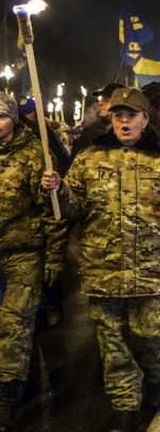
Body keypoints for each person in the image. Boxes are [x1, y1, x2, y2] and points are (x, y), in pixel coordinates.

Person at [41, 88, 160, 432]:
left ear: (145, 119)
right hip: (104, 271)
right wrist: (58, 190)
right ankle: (125, 405)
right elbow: (72, 209)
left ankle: (154, 379)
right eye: (118, 115)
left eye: (131, 115)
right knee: (113, 345)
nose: (123, 121)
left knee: (153, 339)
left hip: (153, 273)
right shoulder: (89, 159)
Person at [0, 93, 65, 431]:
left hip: (23, 251)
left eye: (1, 117)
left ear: (13, 119)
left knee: (14, 325)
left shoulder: (33, 154)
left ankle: (8, 396)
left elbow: (51, 211)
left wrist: (54, 257)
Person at [70, 82, 124, 157]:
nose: (100, 103)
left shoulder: (132, 134)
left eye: (106, 100)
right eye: (101, 100)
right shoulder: (90, 134)